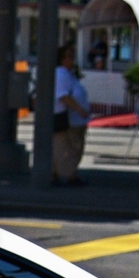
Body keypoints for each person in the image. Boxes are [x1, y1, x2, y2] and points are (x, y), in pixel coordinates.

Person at [50, 42, 88, 186]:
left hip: (74, 119)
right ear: (62, 58)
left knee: (66, 148)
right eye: (69, 57)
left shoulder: (68, 74)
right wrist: (79, 109)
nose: (72, 60)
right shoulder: (61, 73)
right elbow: (63, 96)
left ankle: (56, 173)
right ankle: (70, 175)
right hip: (68, 118)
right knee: (67, 148)